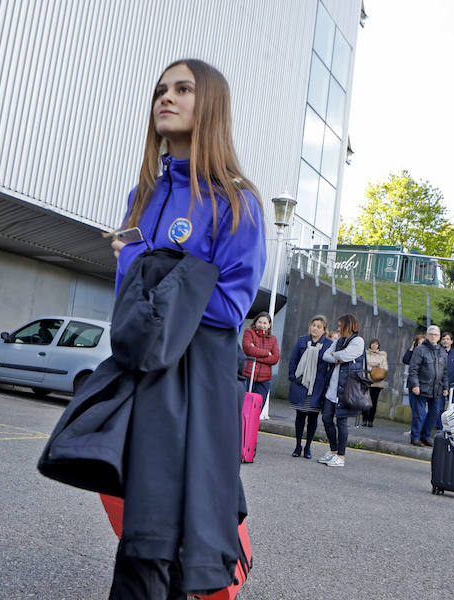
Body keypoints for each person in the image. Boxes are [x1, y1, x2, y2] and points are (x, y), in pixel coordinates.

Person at [107, 58, 266, 599]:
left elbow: (228, 306)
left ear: (211, 105)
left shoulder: (237, 201)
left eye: (182, 89)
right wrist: (141, 266)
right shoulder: (142, 195)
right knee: (137, 543)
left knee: (169, 547)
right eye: (159, 90)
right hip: (138, 381)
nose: (165, 98)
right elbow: (129, 307)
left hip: (194, 389)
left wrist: (147, 263)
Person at [318, 314, 364, 468]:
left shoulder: (358, 341)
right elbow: (325, 356)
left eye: (340, 325)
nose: (337, 329)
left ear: (348, 325)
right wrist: (338, 357)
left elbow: (347, 355)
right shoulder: (339, 340)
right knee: (326, 418)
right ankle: (333, 450)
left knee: (342, 421)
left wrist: (337, 356)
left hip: (347, 388)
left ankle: (341, 456)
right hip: (332, 387)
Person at [287, 315, 333, 459]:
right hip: (301, 384)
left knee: (313, 417)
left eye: (319, 326)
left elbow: (330, 365)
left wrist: (326, 383)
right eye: (314, 325)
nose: (315, 328)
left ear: (324, 329)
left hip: (317, 387)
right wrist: (293, 377)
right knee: (300, 416)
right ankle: (298, 445)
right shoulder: (302, 340)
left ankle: (308, 447)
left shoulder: (328, 344)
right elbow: (293, 359)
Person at [407, 325, 448, 446]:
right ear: (427, 335)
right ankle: (415, 437)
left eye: (436, 334)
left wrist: (446, 387)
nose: (433, 336)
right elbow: (413, 369)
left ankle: (426, 436)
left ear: (439, 337)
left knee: (435, 413)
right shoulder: (420, 350)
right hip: (420, 387)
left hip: (436, 388)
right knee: (419, 414)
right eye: (431, 334)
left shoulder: (442, 352)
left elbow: (445, 371)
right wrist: (415, 385)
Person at [242, 311, 279, 408]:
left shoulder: (273, 339)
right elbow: (248, 349)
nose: (262, 325)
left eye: (265, 323)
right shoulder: (249, 332)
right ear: (255, 322)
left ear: (269, 325)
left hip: (264, 380)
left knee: (257, 408)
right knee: (242, 407)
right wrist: (267, 353)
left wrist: (255, 357)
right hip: (248, 375)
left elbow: (275, 358)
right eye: (260, 322)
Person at [402, 334, 425, 440]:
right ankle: (414, 430)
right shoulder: (414, 353)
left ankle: (419, 431)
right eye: (419, 343)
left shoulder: (426, 354)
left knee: (420, 410)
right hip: (412, 384)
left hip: (422, 385)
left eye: (422, 343)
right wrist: (411, 348)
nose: (421, 345)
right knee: (414, 408)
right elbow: (405, 360)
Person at [363, 338, 388, 427]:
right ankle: (364, 419)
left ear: (378, 346)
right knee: (365, 400)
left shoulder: (383, 355)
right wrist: (372, 368)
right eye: (373, 344)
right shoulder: (365, 353)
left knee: (374, 401)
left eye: (376, 344)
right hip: (367, 379)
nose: (374, 346)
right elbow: (363, 365)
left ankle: (370, 420)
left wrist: (374, 367)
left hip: (378, 381)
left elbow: (385, 367)